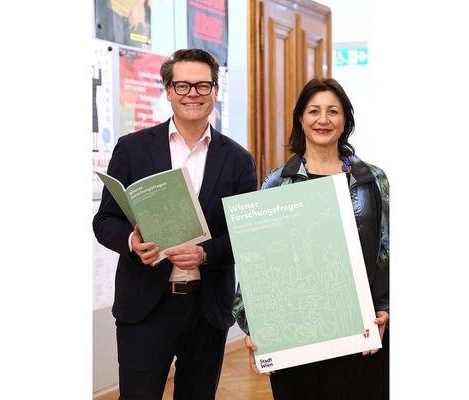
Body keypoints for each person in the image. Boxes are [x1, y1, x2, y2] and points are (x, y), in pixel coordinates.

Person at [93, 48, 257, 399]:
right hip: (145, 307)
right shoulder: (132, 149)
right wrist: (132, 243)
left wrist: (205, 254)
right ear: (168, 90)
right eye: (182, 86)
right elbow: (104, 220)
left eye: (202, 85)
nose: (192, 94)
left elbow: (246, 236)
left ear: (215, 90)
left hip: (207, 310)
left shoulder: (238, 160)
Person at [232, 78, 389, 400]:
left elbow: (388, 248)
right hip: (294, 336)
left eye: (333, 111)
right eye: (314, 111)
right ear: (300, 119)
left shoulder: (372, 179)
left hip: (361, 330)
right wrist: (256, 327)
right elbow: (257, 258)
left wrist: (387, 309)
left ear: (345, 120)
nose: (323, 119)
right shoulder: (277, 182)